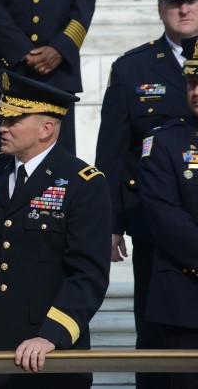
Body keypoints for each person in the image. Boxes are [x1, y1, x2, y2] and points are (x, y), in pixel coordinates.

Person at [0, 70, 111, 389]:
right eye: (3, 118)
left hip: (49, 354)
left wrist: (50, 336)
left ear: (46, 128)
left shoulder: (83, 183)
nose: (2, 127)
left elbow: (88, 275)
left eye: (13, 120)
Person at [95, 0, 198, 387]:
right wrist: (112, 223)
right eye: (174, 1)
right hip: (154, 225)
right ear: (159, 7)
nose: (184, 8)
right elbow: (113, 152)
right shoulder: (133, 69)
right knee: (156, 332)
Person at [0, 0, 97, 154]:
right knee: (10, 159)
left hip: (58, 70)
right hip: (10, 70)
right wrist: (21, 51)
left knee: (59, 163)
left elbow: (85, 0)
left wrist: (60, 49)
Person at [138, 34, 198, 389]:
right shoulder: (164, 142)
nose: (196, 91)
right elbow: (165, 217)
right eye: (192, 81)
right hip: (185, 302)